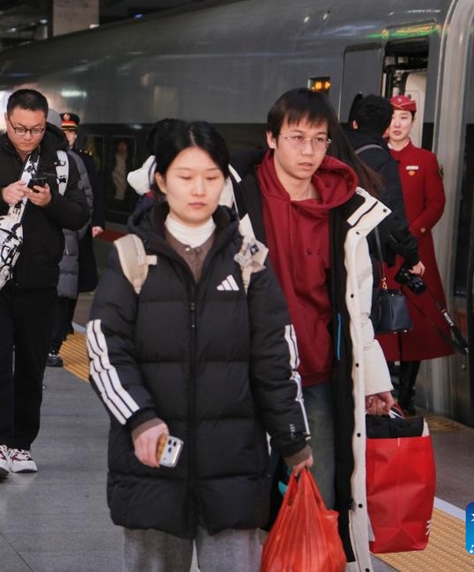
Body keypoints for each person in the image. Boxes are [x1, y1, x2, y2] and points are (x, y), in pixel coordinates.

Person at [87, 119, 312, 571]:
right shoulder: (132, 255)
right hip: (152, 462)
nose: (199, 190)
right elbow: (105, 349)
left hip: (234, 464)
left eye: (211, 177)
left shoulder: (248, 258)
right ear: (160, 181)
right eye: (186, 177)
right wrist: (138, 419)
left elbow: (275, 355)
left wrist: (293, 439)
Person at [233, 88, 394, 571]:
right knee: (241, 494)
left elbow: (357, 302)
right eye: (296, 138)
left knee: (318, 490)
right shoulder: (234, 191)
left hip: (319, 373)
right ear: (271, 139)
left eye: (319, 140)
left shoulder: (346, 207)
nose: (308, 152)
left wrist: (375, 380)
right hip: (244, 374)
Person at [0, 88, 89, 481]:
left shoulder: (63, 163)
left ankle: (21, 445)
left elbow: (79, 215)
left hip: (40, 283)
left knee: (31, 368)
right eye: (18, 128)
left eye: (34, 129)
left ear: (44, 122)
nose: (27, 136)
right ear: (6, 122)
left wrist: (51, 204)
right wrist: (0, 196)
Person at [382, 94, 454, 414]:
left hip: (414, 255)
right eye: (393, 118)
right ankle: (384, 389)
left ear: (413, 122)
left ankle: (407, 392)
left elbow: (436, 204)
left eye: (404, 119)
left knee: (416, 324)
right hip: (383, 252)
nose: (397, 125)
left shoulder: (425, 159)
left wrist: (411, 234)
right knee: (383, 321)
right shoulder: (375, 157)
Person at [46, 112, 104, 367]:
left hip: (64, 240)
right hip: (31, 244)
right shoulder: (17, 159)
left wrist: (73, 231)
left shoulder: (74, 161)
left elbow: (89, 199)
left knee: (61, 295)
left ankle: (52, 346)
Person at [345, 94, 422, 271]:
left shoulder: (332, 152)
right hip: (361, 252)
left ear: (355, 124)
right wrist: (412, 257)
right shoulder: (383, 161)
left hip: (327, 249)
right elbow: (393, 219)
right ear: (386, 128)